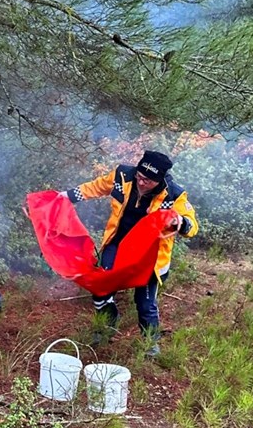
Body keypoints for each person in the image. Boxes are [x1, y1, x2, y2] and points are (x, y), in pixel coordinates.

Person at [62, 150, 199, 356]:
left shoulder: (173, 194)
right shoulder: (123, 176)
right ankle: (105, 326)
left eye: (148, 180)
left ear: (160, 179)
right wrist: (64, 197)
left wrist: (180, 223)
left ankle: (150, 344)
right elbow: (95, 187)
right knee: (101, 286)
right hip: (117, 244)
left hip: (148, 256)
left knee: (145, 302)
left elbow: (192, 225)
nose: (142, 183)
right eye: (140, 176)